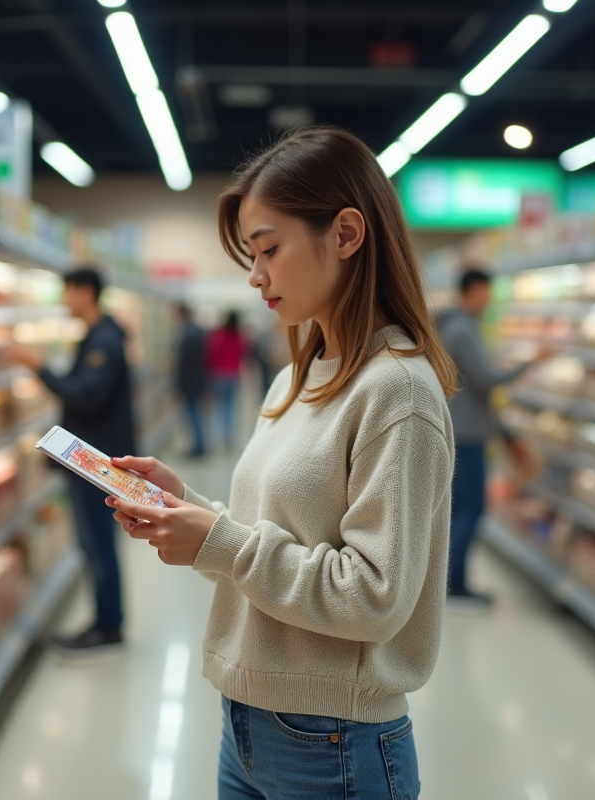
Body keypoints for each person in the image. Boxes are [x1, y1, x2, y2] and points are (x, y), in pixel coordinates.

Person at [101, 128, 456, 799]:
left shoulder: (398, 391)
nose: (254, 275)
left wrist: (223, 543)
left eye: (268, 249)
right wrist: (195, 514)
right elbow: (286, 529)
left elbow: (374, 595)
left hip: (335, 745)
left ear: (347, 234)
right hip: (247, 723)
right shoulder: (301, 373)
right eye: (250, 254)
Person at [13, 267, 135, 652]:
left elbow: (85, 396)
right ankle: (104, 621)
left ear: (85, 293)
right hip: (90, 459)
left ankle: (107, 626)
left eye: (66, 292)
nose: (63, 300)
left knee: (98, 545)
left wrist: (38, 367)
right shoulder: (99, 336)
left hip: (95, 462)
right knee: (94, 544)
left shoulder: (105, 341)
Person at [438, 269, 539, 605]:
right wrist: (530, 364)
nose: (489, 299)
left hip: (461, 427)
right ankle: (456, 585)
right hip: (467, 433)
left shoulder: (456, 326)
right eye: (486, 291)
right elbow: (488, 380)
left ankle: (450, 581)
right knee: (471, 508)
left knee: (459, 509)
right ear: (474, 290)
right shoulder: (463, 329)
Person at [205, 311, 249, 450]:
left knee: (221, 406)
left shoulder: (220, 335)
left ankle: (223, 435)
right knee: (231, 406)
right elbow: (243, 354)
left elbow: (213, 353)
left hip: (218, 375)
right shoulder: (239, 336)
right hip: (233, 375)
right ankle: (229, 435)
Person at [175, 303, 208, 457]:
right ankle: (199, 444)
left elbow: (185, 363)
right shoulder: (196, 332)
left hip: (190, 383)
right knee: (196, 414)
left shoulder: (188, 334)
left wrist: (179, 385)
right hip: (197, 381)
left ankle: (199, 446)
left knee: (193, 414)